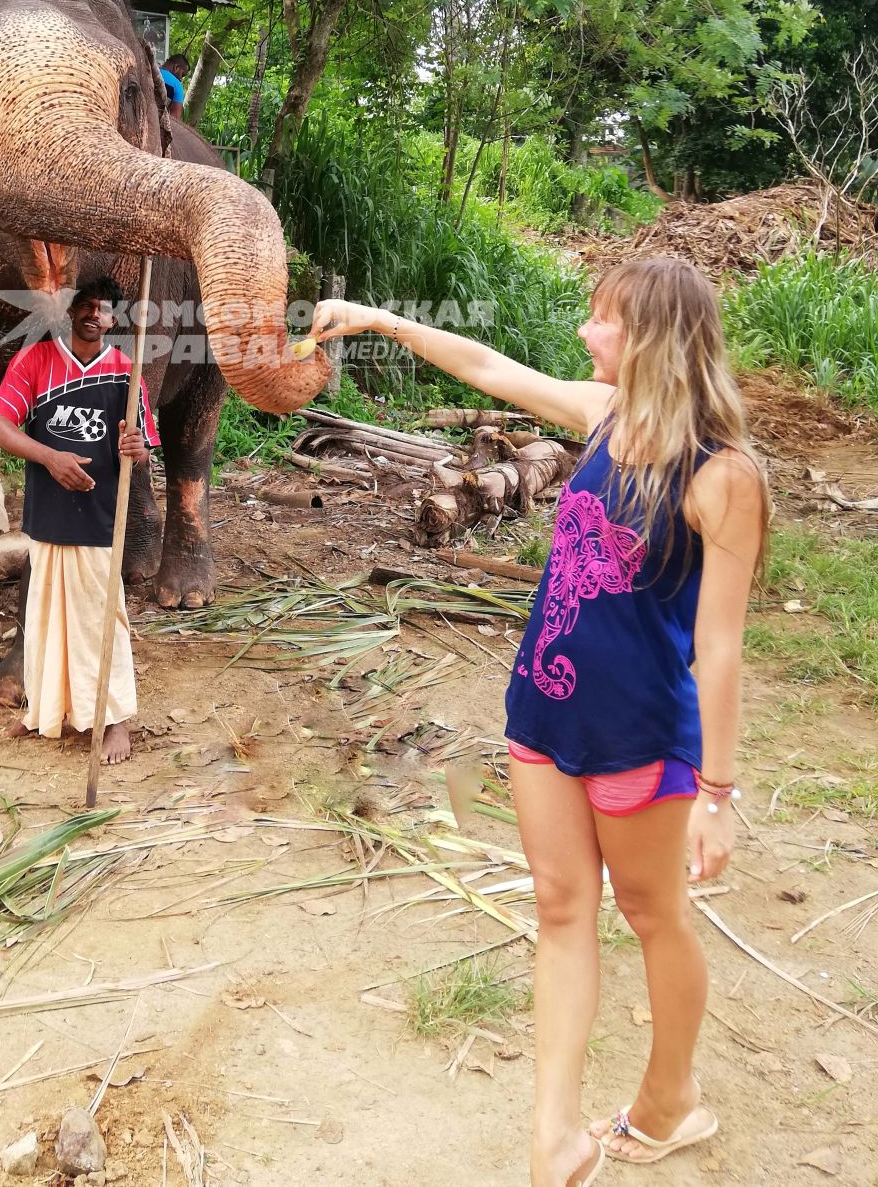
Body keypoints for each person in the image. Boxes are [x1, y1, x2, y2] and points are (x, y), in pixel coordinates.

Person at [311, 257, 767, 1187]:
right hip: (541, 713)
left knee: (650, 913)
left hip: (641, 739)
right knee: (562, 908)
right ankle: (554, 1137)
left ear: (646, 337)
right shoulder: (604, 417)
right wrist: (376, 318)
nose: (584, 337)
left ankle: (669, 1100)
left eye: (600, 323)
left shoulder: (724, 476)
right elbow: (482, 364)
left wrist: (718, 794)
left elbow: (718, 650)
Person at [0, 275, 159, 764]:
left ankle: (115, 718)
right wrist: (49, 457)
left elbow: (142, 448)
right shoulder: (35, 360)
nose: (92, 315)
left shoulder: (128, 373)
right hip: (48, 513)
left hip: (101, 517)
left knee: (101, 620)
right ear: (70, 311)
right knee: (43, 617)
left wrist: (134, 449)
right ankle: (43, 710)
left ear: (114, 320)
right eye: (84, 306)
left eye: (102, 310)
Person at [160, 53, 189, 119]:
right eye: (182, 75)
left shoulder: (148, 69)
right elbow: (175, 117)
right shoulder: (177, 86)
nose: (181, 79)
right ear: (176, 68)